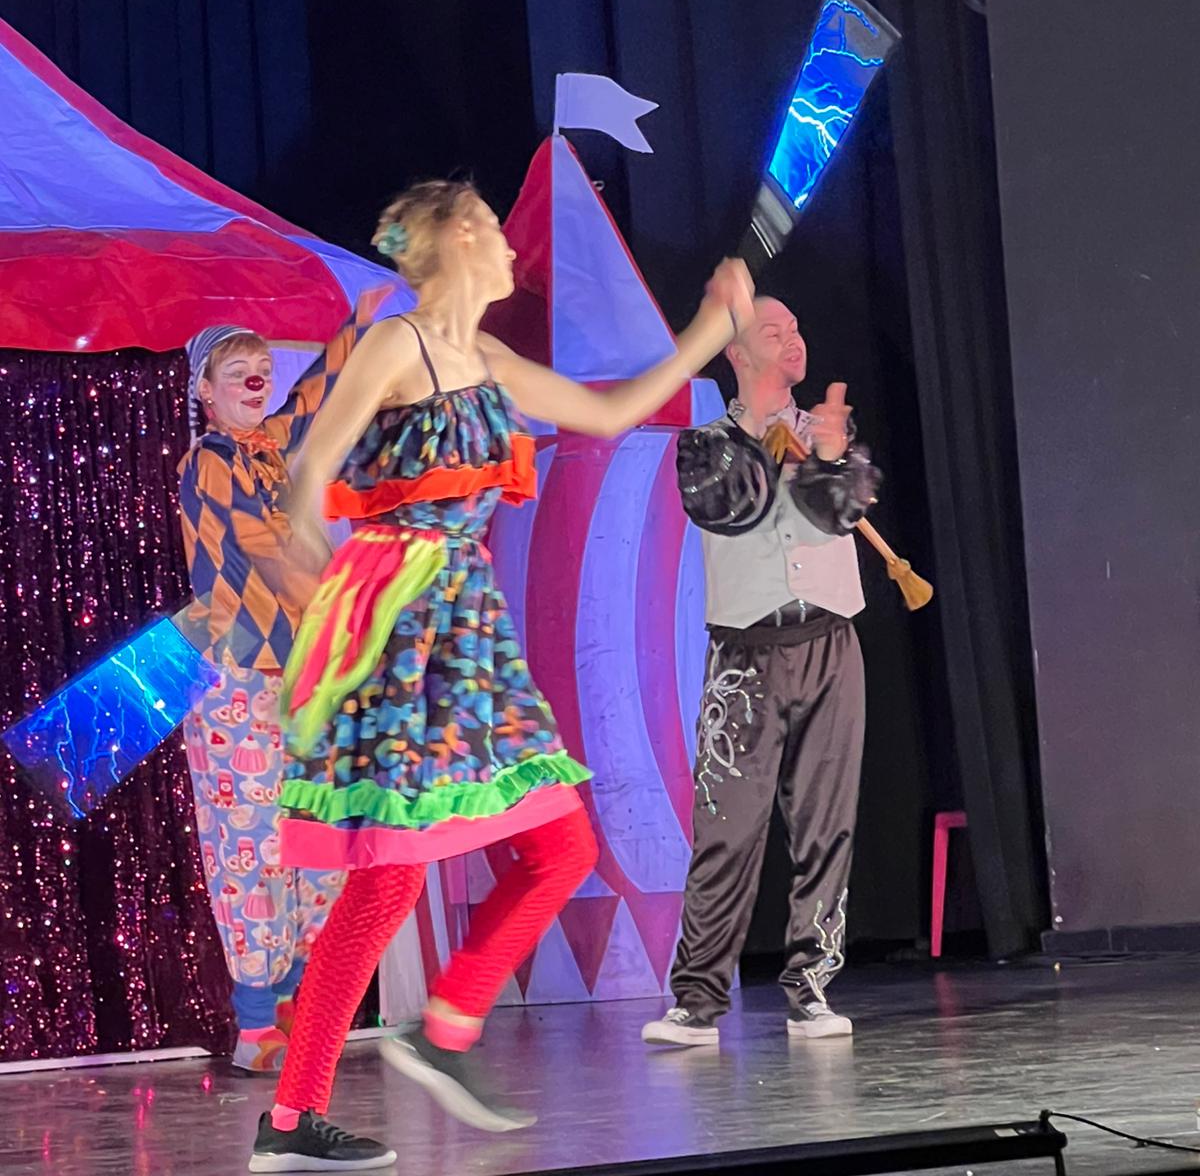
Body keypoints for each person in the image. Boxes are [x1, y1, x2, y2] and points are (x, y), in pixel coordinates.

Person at [247, 178, 754, 1173]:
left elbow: (612, 408)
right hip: (399, 623)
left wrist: (711, 326)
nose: (509, 245)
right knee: (389, 881)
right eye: (488, 227)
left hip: (468, 635)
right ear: (451, 241)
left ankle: (435, 1032)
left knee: (558, 845)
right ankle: (304, 1112)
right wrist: (313, 568)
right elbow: (312, 467)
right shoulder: (398, 344)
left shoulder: (492, 363)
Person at [642, 296, 880, 1049]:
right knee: (728, 828)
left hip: (830, 645)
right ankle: (697, 999)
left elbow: (841, 513)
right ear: (738, 352)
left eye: (797, 327)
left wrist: (830, 458)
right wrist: (780, 445)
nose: (793, 339)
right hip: (747, 656)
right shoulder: (706, 444)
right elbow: (731, 508)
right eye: (774, 332)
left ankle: (812, 989)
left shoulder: (830, 432)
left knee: (825, 824)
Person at [178, 294, 383, 1073]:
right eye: (238, 369)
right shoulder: (209, 460)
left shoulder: (264, 448)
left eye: (261, 366)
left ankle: (297, 997)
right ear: (205, 389)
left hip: (299, 672)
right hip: (237, 672)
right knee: (253, 849)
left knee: (315, 838)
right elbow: (267, 550)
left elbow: (308, 401)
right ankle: (256, 1022)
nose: (256, 377)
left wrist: (355, 329)